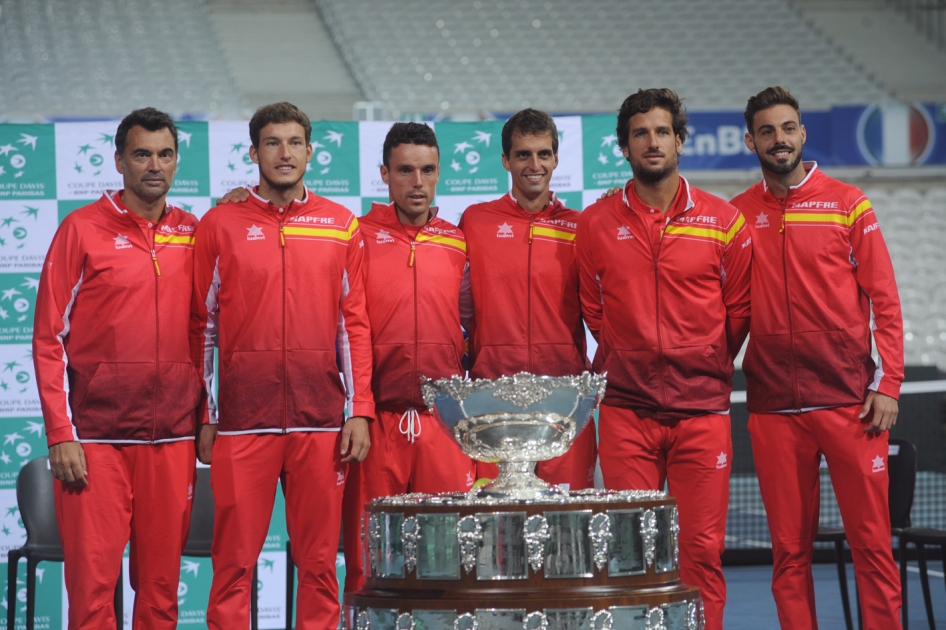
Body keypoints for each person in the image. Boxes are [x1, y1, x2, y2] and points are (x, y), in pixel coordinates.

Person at [191, 102, 373, 630]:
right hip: (243, 423)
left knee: (318, 564)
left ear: (311, 152)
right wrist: (207, 412)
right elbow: (200, 327)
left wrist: (358, 408)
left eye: (295, 143)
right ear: (254, 152)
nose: (285, 153)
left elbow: (352, 325)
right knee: (233, 565)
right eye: (272, 143)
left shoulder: (341, 225)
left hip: (320, 422)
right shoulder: (220, 223)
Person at [577, 88, 751, 630]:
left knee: (701, 552)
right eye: (639, 133)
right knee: (631, 554)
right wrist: (631, 355)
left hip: (702, 413)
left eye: (661, 132)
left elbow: (739, 311)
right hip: (627, 412)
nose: (651, 143)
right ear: (624, 146)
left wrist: (700, 359)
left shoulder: (725, 222)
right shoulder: (595, 222)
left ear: (680, 140)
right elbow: (592, 308)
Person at [731, 86, 904, 630]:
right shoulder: (736, 215)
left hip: (851, 404)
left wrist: (890, 382)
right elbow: (728, 311)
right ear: (750, 141)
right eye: (766, 131)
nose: (778, 139)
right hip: (773, 407)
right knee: (789, 553)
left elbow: (886, 299)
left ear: (802, 134)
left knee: (872, 544)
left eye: (786, 128)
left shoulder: (850, 202)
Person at [33, 108, 201, 629]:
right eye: (142, 154)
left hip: (171, 441)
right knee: (92, 595)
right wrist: (62, 433)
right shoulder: (80, 228)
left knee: (160, 595)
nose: (155, 165)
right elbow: (47, 339)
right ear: (119, 161)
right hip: (95, 443)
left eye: (165, 154)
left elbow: (210, 333)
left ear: (177, 163)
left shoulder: (195, 232)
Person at [341, 122, 476, 595]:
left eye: (427, 170)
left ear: (439, 173)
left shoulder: (459, 241)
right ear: (385, 174)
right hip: (376, 422)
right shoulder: (354, 234)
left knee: (451, 559)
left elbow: (474, 323)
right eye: (405, 170)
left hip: (443, 421)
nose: (417, 182)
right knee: (368, 559)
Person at [458, 108, 596, 490]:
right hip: (493, 401)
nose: (534, 165)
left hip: (563, 400)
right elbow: (457, 303)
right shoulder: (475, 220)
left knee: (566, 525)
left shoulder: (582, 225)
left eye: (543, 154)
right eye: (523, 155)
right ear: (505, 160)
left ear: (555, 158)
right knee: (495, 530)